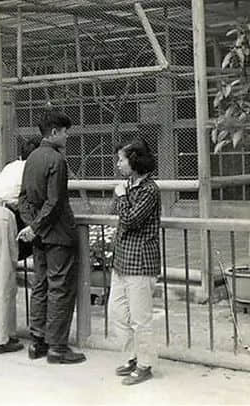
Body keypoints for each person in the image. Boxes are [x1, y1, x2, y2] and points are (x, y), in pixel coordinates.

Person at [18, 111, 86, 364]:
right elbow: (55, 201)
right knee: (59, 287)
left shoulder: (32, 158)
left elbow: (23, 198)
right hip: (57, 234)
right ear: (55, 132)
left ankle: (38, 342)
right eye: (65, 131)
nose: (67, 136)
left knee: (40, 285)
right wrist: (37, 226)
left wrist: (31, 226)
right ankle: (57, 347)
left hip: (39, 236)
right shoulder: (57, 160)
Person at [0, 137, 41, 354]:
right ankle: (2, 340)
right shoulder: (31, 168)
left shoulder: (11, 166)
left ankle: (5, 334)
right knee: (4, 282)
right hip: (2, 216)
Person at [109, 139, 161, 386]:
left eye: (122, 159)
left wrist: (121, 196)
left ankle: (145, 364)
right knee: (118, 312)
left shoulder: (150, 189)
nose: (118, 164)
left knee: (141, 317)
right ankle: (131, 356)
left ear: (135, 161)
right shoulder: (129, 186)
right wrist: (122, 195)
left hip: (140, 261)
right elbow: (117, 213)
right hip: (122, 260)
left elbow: (130, 219)